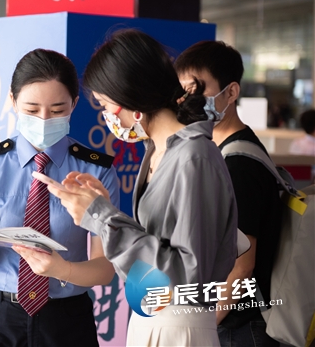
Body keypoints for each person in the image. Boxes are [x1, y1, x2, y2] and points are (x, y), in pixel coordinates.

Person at [48, 30, 238, 346]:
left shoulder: (194, 156)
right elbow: (155, 251)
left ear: (130, 99)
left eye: (105, 105)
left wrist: (102, 218)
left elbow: (188, 275)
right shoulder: (157, 150)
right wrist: (104, 210)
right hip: (152, 320)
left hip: (178, 328)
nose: (107, 117)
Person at [0, 49, 119, 346]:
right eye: (31, 110)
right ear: (12, 101)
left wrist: (62, 270)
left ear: (74, 104)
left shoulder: (95, 172)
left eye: (57, 110)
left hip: (67, 319)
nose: (43, 119)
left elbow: (105, 269)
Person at [175, 40, 282, 347]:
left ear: (231, 92)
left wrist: (204, 325)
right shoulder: (219, 150)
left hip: (240, 326)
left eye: (197, 90)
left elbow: (241, 265)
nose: (187, 101)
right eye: (183, 92)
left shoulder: (237, 163)